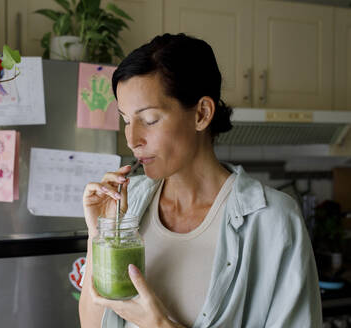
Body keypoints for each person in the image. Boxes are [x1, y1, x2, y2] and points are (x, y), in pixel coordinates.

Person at [79, 33, 322, 328]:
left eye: (150, 119)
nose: (132, 140)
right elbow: (94, 324)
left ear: (201, 114)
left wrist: (160, 325)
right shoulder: (128, 204)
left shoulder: (273, 220)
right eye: (126, 120)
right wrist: (99, 235)